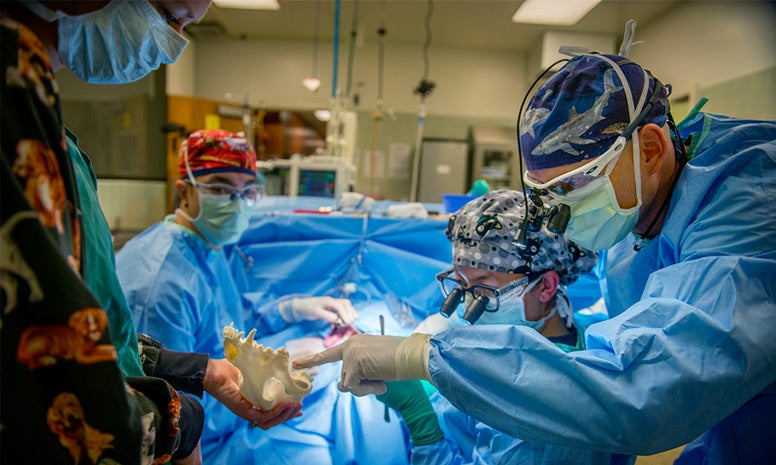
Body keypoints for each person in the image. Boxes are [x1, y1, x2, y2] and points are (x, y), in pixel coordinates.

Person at [294, 52, 776, 464]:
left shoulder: (749, 205)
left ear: (649, 148)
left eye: (573, 189)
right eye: (546, 195)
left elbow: (646, 389)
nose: (561, 217)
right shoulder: (641, 216)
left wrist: (421, 373)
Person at [1, 2, 295, 463]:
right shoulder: (10, 105)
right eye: (171, 15)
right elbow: (58, 386)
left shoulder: (46, 123)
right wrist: (181, 422)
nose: (173, 48)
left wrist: (199, 372)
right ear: (186, 192)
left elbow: (105, 337)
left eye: (247, 192)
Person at [116, 129, 409, 465]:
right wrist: (263, 381)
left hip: (220, 417)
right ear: (185, 191)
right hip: (209, 440)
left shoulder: (205, 248)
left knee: (334, 385)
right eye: (220, 188)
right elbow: (171, 411)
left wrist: (293, 310)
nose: (236, 202)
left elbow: (228, 320)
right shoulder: (159, 288)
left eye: (247, 191)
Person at [378, 189, 614, 464]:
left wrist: (419, 418)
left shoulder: (540, 398)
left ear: (546, 287)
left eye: (485, 289)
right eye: (462, 286)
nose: (468, 307)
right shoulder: (581, 328)